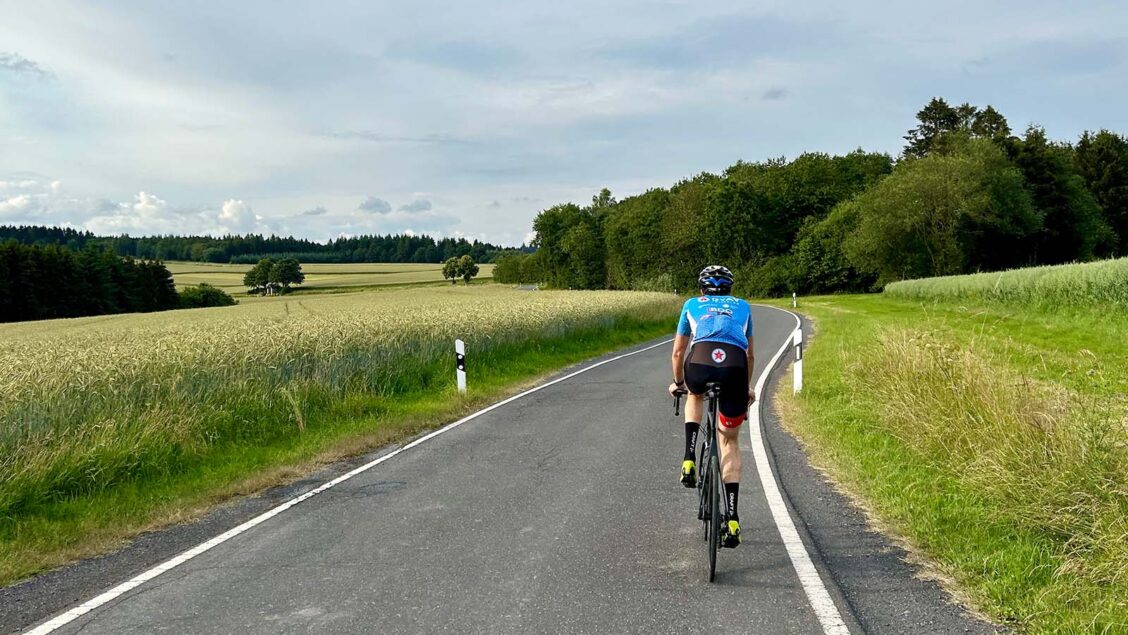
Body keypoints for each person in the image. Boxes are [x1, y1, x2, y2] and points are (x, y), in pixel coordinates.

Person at [668, 265, 754, 548]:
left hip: (701, 362)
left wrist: (678, 381)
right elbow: (749, 354)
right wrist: (746, 388)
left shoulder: (692, 304)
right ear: (730, 289)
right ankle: (731, 518)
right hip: (734, 367)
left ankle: (689, 457)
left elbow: (679, 350)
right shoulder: (743, 306)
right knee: (729, 440)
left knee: (694, 394)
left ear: (702, 289)